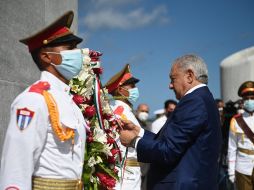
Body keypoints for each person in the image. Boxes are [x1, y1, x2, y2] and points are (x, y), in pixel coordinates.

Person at [0, 11, 87, 190]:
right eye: (69, 47)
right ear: (46, 56)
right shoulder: (33, 99)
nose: (77, 53)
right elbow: (17, 163)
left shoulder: (68, 100)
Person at [119, 54, 222, 190]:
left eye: (173, 79)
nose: (170, 85)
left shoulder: (194, 101)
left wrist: (134, 141)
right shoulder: (202, 99)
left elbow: (167, 151)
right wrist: (140, 132)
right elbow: (171, 142)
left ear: (190, 76)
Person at [105, 64, 142, 190]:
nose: (135, 89)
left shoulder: (124, 109)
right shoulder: (120, 111)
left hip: (129, 169)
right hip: (125, 171)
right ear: (120, 90)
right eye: (132, 86)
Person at [228, 81, 254, 190]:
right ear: (242, 101)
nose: (249, 101)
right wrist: (231, 171)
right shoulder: (236, 120)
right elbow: (232, 148)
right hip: (243, 168)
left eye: (252, 98)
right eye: (247, 98)